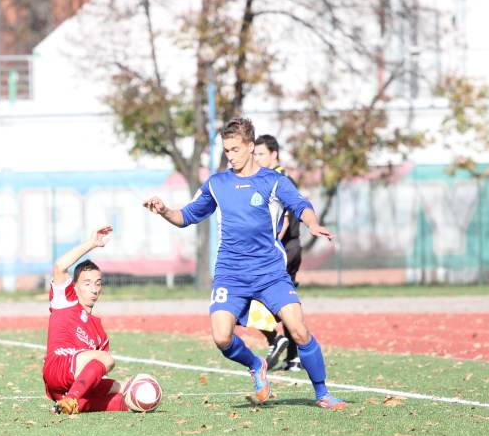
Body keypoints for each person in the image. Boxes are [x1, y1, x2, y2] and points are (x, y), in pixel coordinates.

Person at [143, 117, 346, 409]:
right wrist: (164, 210)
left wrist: (312, 224)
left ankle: (322, 393)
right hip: (231, 274)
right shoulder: (217, 183)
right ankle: (255, 364)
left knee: (298, 330)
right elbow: (186, 217)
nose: (231, 156)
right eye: (226, 150)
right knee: (221, 337)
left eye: (236, 149)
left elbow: (301, 205)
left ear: (251, 147)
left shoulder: (273, 181)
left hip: (270, 273)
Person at [43, 225, 127, 414]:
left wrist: (125, 386)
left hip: (69, 385)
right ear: (75, 286)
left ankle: (68, 404)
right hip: (58, 367)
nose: (94, 289)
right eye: (87, 283)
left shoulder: (100, 332)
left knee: (124, 391)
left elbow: (95, 373)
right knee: (106, 358)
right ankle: (73, 399)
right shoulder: (66, 301)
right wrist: (92, 243)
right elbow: (60, 266)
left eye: (97, 283)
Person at [242, 134, 302, 373]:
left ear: (274, 154)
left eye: (260, 154)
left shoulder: (277, 179)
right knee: (286, 303)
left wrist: (267, 246)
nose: (255, 158)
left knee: (251, 296)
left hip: (281, 249)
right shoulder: (266, 178)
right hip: (286, 248)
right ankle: (293, 356)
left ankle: (276, 340)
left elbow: (284, 221)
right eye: (254, 154)